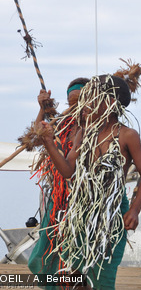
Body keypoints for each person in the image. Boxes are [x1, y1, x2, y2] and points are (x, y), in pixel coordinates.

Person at [36, 75, 141, 289]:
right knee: (76, 275)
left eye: (91, 98)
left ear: (109, 103)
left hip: (112, 216)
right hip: (80, 213)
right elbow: (68, 171)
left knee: (102, 277)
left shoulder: (127, 135)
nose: (85, 104)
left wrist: (135, 210)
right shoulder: (83, 133)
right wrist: (49, 143)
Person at [28, 77, 90, 281]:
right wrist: (42, 108)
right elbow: (37, 135)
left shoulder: (96, 128)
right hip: (58, 200)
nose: (75, 106)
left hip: (83, 202)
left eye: (79, 100)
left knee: (72, 260)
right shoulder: (62, 124)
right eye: (71, 102)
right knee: (42, 258)